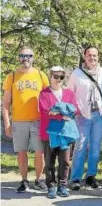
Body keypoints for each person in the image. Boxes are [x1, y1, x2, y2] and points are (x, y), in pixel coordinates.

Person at [2, 47, 49, 193]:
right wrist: (7, 123)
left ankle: (38, 179)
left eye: (28, 55)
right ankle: (24, 180)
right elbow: (5, 103)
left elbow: (49, 99)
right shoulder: (12, 77)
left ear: (33, 57)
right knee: (21, 152)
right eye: (22, 55)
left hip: (38, 121)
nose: (25, 58)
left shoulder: (41, 75)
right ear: (19, 58)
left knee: (39, 152)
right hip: (18, 121)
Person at [67, 46, 102, 190]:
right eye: (89, 55)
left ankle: (91, 176)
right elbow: (69, 93)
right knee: (80, 146)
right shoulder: (76, 74)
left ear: (98, 57)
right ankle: (75, 178)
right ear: (84, 56)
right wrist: (75, 109)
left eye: (95, 55)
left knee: (95, 146)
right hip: (82, 115)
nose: (92, 58)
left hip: (99, 115)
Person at [39, 66, 79, 198]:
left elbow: (75, 110)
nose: (58, 79)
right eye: (55, 76)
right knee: (49, 161)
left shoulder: (69, 94)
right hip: (49, 133)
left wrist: (56, 111)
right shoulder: (44, 94)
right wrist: (62, 115)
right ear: (50, 77)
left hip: (65, 133)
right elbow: (45, 112)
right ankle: (51, 186)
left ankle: (62, 185)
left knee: (65, 161)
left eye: (61, 77)